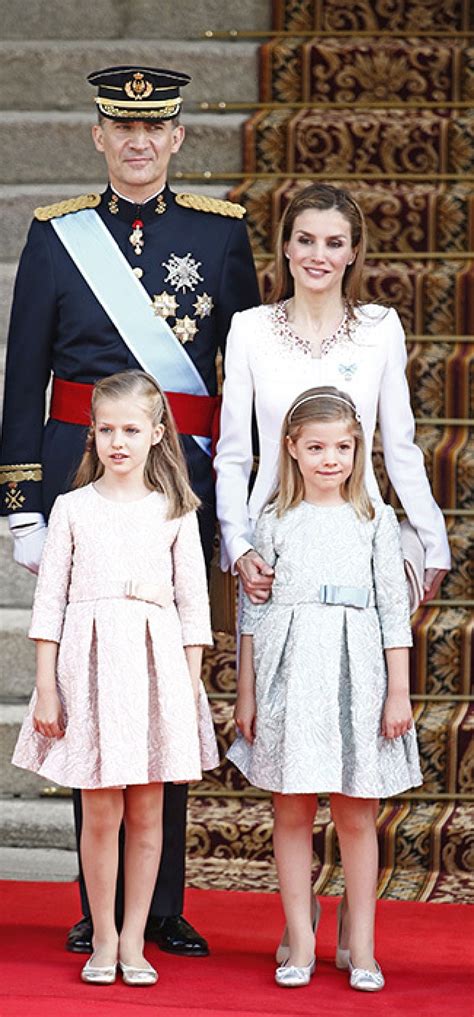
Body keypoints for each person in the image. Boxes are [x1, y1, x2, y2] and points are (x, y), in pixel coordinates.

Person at [0, 65, 260, 955]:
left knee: (165, 693)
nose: (139, 142)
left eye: (155, 129)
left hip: (181, 486)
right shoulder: (56, 235)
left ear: (177, 137)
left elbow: (242, 381)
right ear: (100, 136)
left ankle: (165, 904)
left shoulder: (220, 234)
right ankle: (97, 906)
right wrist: (23, 503)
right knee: (89, 691)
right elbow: (23, 374)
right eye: (123, 128)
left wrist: (236, 504)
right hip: (80, 481)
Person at [12, 370, 219, 986]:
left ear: (157, 433)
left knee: (149, 814)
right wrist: (47, 687)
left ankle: (134, 939)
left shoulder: (176, 510)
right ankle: (102, 934)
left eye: (131, 430)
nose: (118, 442)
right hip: (89, 670)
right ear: (92, 435)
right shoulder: (72, 509)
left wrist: (187, 689)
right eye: (106, 430)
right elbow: (49, 605)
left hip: (156, 670)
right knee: (101, 812)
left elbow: (194, 609)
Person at [228, 385, 422, 991]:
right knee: (292, 809)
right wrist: (246, 691)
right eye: (316, 447)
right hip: (289, 670)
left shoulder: (375, 520)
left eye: (342, 447)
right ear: (291, 448)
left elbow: (394, 611)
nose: (330, 459)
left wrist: (398, 692)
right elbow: (253, 612)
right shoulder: (273, 519)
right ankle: (301, 937)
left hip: (356, 671)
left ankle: (361, 944)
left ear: (358, 449)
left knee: (356, 813)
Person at [214, 183, 450, 610]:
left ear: (353, 252)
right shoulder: (249, 329)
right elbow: (233, 455)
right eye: (305, 240)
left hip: (360, 535)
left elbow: (400, 448)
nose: (318, 255)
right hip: (271, 543)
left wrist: (434, 541)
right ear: (286, 247)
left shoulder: (381, 329)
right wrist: (239, 544)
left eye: (334, 243)